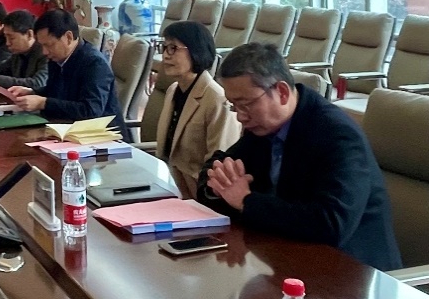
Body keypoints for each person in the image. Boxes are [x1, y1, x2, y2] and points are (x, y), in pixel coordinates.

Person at [196, 43, 401, 271]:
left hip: (356, 272)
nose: (240, 117)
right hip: (288, 256)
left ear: (282, 92)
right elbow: (219, 163)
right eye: (234, 106)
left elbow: (331, 224)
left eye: (245, 104)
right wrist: (218, 182)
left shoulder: (338, 136)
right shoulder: (264, 127)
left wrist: (246, 201)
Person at [155, 21, 241, 199]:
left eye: (173, 48)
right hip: (169, 186)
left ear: (196, 51)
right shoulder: (173, 90)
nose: (165, 55)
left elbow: (219, 168)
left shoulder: (217, 100)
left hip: (198, 197)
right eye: (164, 48)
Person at [10, 9, 127, 137]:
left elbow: (91, 111)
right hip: (66, 130)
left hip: (102, 137)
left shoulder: (94, 63)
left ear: (68, 37)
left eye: (49, 45)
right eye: (42, 45)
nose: (44, 52)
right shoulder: (57, 58)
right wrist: (33, 92)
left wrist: (43, 103)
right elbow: (58, 91)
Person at [0, 10, 48, 91]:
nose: (7, 43)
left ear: (29, 34)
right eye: (6, 38)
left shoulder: (46, 53)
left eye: (11, 38)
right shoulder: (18, 53)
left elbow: (38, 83)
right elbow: (1, 67)